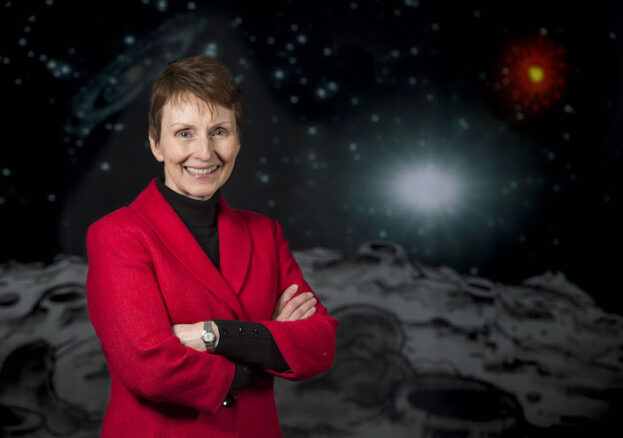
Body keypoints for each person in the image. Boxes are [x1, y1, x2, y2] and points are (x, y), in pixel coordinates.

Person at [86, 55, 338, 437]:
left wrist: (213, 334)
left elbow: (320, 344)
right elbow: (149, 369)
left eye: (219, 131)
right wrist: (264, 348)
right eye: (184, 133)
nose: (204, 152)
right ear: (156, 144)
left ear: (238, 141)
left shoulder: (265, 233)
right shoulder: (117, 234)